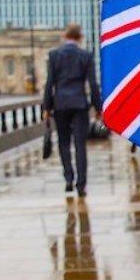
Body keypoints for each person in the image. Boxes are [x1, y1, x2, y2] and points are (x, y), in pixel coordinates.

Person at [42, 23, 102, 196]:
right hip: (79, 104)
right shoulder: (86, 56)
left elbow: (49, 83)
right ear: (80, 37)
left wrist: (47, 107)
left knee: (64, 143)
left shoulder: (54, 55)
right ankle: (81, 184)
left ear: (65, 36)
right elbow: (92, 84)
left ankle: (68, 178)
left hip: (60, 104)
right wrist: (98, 108)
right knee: (80, 145)